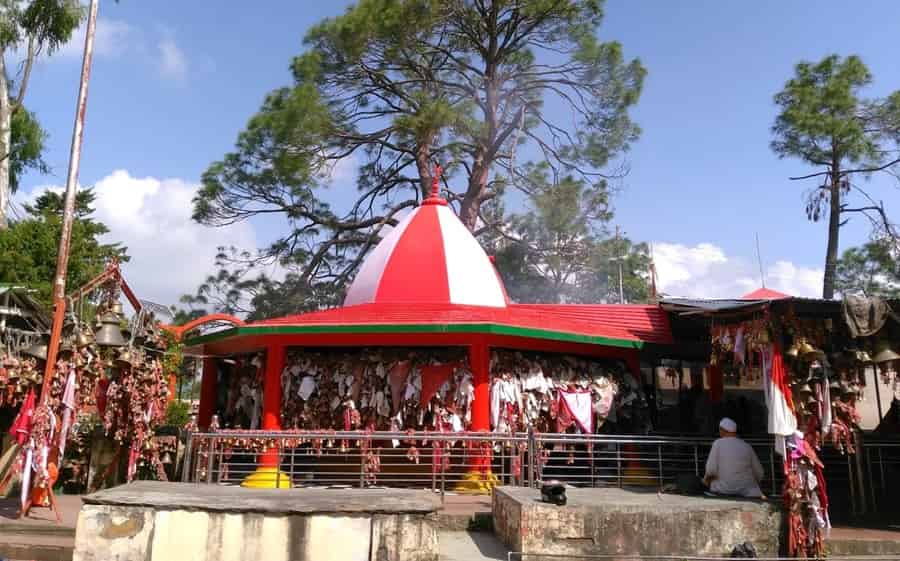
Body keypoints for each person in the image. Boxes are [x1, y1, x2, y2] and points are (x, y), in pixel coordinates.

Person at [703, 417, 764, 498]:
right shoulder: (746, 446)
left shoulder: (717, 443)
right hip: (746, 491)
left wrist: (705, 481)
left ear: (722, 430)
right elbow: (760, 473)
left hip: (722, 490)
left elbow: (711, 470)